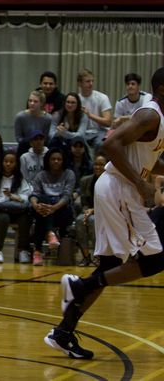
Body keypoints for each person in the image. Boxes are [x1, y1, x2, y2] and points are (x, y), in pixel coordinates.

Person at [44, 68, 164, 360]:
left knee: (110, 265)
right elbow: (110, 145)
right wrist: (141, 184)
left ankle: (63, 332)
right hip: (119, 188)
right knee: (157, 258)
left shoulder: (157, 118)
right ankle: (79, 285)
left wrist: (148, 175)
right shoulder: (151, 115)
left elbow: (145, 159)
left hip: (118, 188)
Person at [0, 150, 32, 264]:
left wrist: (16, 197)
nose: (8, 164)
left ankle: (23, 250)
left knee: (25, 217)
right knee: (4, 218)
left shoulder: (20, 179)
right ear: (2, 162)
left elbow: (26, 196)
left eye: (11, 162)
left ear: (16, 164)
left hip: (15, 212)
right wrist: (9, 198)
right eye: (6, 161)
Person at [29, 147, 76, 266]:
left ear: (63, 161)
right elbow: (34, 194)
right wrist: (35, 205)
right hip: (45, 210)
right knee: (42, 202)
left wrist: (53, 208)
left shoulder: (69, 174)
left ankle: (38, 252)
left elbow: (67, 196)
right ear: (48, 161)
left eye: (59, 159)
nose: (56, 161)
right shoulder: (41, 175)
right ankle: (50, 234)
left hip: (62, 211)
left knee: (42, 216)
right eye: (53, 159)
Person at [73, 153, 107, 267]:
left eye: (101, 165)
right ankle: (86, 257)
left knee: (93, 221)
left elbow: (110, 203)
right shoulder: (85, 181)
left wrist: (93, 210)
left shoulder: (111, 182)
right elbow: (84, 202)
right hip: (90, 212)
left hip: (108, 214)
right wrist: (87, 211)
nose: (98, 167)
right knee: (79, 220)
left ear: (107, 166)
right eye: (96, 164)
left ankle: (98, 256)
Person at [77, 69, 112, 150]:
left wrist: (89, 115)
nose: (91, 84)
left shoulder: (102, 97)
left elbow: (108, 122)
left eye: (92, 81)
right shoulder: (76, 99)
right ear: (79, 83)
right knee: (76, 143)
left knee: (100, 144)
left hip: (99, 131)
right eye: (88, 81)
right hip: (82, 132)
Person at [14, 90, 52, 157]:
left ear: (42, 103)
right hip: (24, 148)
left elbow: (46, 138)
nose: (32, 103)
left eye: (35, 101)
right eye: (30, 101)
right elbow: (18, 137)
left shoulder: (48, 118)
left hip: (42, 149)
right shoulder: (20, 116)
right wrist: (31, 143)